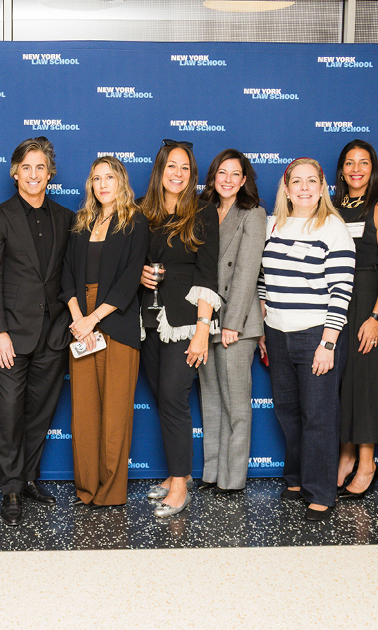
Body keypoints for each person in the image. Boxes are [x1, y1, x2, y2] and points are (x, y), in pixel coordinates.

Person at [0, 137, 74, 526]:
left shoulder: (67, 218)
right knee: (12, 412)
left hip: (53, 335)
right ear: (15, 172)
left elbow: (70, 276)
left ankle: (30, 476)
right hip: (10, 338)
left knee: (39, 413)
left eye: (40, 168)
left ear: (50, 174)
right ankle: (11, 487)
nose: (33, 175)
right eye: (26, 167)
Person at [258, 158, 355, 522]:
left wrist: (328, 343)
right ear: (285, 187)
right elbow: (263, 279)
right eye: (296, 181)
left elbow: (341, 290)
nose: (303, 187)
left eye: (311, 181)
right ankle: (297, 478)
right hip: (277, 333)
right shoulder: (272, 225)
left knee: (318, 416)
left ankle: (321, 491)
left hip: (316, 333)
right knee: (288, 411)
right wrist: (265, 323)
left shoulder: (332, 228)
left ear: (322, 187)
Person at [61, 156, 148, 507]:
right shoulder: (81, 222)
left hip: (116, 322)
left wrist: (93, 318)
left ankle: (111, 493)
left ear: (121, 181)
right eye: (96, 178)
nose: (102, 184)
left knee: (115, 415)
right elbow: (65, 273)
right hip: (80, 323)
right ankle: (87, 489)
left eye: (109, 177)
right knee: (84, 415)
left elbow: (129, 281)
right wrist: (78, 318)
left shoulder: (135, 222)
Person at [138, 139, 218, 518]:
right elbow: (131, 261)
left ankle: (181, 482)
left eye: (185, 167)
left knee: (173, 395)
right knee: (161, 395)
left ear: (193, 174)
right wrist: (139, 272)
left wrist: (203, 330)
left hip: (186, 322)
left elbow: (208, 273)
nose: (178, 173)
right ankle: (172, 476)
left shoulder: (203, 213)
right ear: (160, 170)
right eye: (172, 166)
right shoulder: (142, 211)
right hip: (148, 319)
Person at [332, 140, 378, 500]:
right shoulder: (332, 208)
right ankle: (345, 456)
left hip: (368, 303)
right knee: (342, 381)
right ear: (341, 169)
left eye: (363, 162)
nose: (356, 169)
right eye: (349, 163)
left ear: (373, 168)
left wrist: (375, 316)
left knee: (366, 384)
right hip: (335, 304)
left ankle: (368, 463)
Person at [197, 149, 265, 496]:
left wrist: (232, 322)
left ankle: (233, 478)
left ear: (243, 180)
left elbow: (246, 272)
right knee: (211, 400)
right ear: (213, 177)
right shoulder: (203, 211)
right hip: (205, 318)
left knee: (236, 404)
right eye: (221, 172)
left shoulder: (253, 214)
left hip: (236, 323)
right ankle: (212, 472)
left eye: (234, 174)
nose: (227, 179)